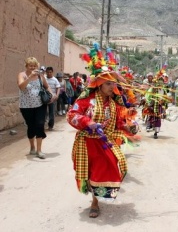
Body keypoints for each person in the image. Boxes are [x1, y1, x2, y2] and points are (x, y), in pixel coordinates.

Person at [67, 43, 135, 218]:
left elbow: (118, 122)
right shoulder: (86, 100)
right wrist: (87, 122)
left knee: (114, 166)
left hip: (105, 142)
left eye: (113, 84)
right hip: (87, 142)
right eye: (108, 84)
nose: (113, 87)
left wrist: (129, 127)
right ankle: (94, 203)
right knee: (91, 172)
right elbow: (72, 114)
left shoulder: (113, 104)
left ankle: (98, 197)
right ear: (99, 85)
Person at [17, 57, 53, 159]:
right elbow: (21, 87)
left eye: (34, 65)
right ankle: (32, 147)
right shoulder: (22, 75)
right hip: (26, 106)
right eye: (30, 65)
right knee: (31, 126)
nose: (32, 67)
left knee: (40, 124)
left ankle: (39, 150)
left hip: (40, 105)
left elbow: (47, 86)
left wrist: (51, 94)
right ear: (26, 66)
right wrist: (29, 77)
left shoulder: (40, 76)